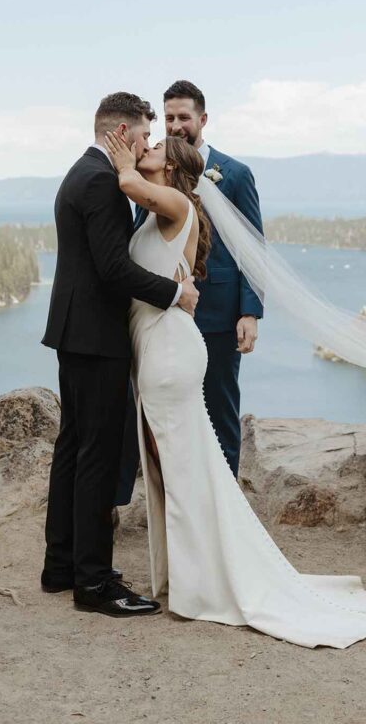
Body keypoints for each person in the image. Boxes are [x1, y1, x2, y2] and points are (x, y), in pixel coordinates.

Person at [103, 128, 366, 648]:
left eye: (156, 147)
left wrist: (121, 157)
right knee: (171, 468)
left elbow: (128, 182)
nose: (147, 148)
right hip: (155, 346)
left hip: (169, 353)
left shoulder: (176, 204)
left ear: (171, 168)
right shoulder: (152, 213)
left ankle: (202, 584)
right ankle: (188, 575)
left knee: (182, 469)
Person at [40, 92, 199, 619]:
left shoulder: (82, 172)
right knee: (98, 456)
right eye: (146, 134)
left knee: (73, 447)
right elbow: (113, 269)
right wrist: (175, 293)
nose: (149, 143)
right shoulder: (103, 181)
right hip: (98, 337)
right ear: (122, 133)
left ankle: (61, 565)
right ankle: (93, 580)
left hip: (75, 333)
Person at [115, 79, 262, 507]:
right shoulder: (153, 172)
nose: (175, 125)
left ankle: (224, 501)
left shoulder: (235, 174)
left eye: (184, 117)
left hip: (218, 313)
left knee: (219, 407)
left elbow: (252, 247)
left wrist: (249, 312)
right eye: (169, 118)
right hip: (162, 311)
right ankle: (164, 500)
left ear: (203, 119)